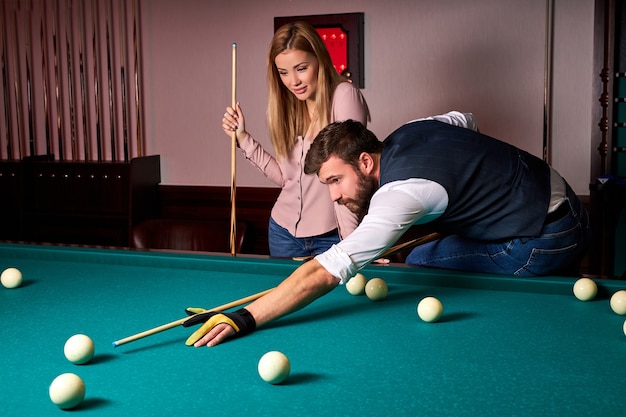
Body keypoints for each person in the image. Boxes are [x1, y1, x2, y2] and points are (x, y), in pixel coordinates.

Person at [186, 114, 590, 347]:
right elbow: (465, 119)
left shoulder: (397, 197)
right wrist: (483, 180)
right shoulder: (412, 129)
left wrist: (246, 316)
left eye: (335, 181)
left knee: (418, 257)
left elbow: (324, 271)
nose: (334, 197)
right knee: (424, 247)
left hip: (545, 240)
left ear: (364, 161)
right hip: (565, 197)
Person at [222, 21, 369, 258]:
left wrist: (355, 244)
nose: (293, 81)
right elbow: (285, 178)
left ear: (319, 60)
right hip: (283, 234)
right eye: (283, 72)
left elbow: (348, 176)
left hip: (332, 236)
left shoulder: (344, 96)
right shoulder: (288, 108)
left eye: (301, 68)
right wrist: (243, 138)